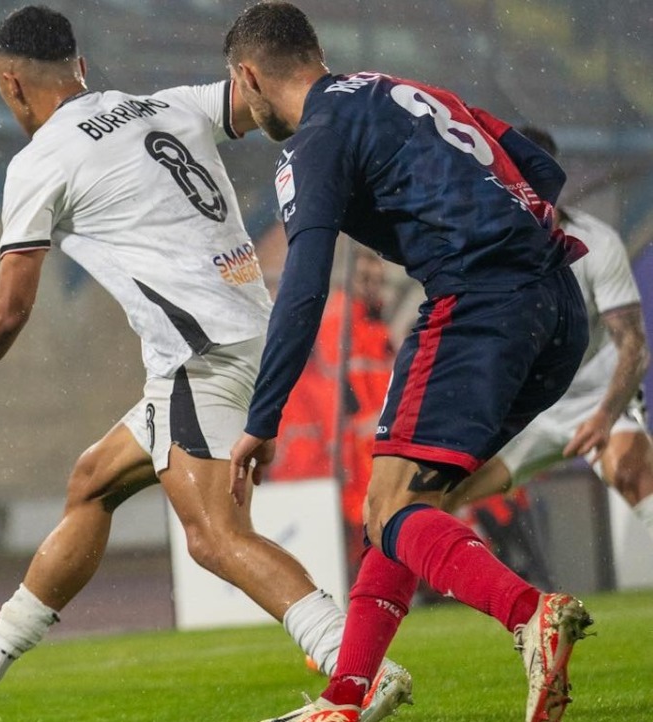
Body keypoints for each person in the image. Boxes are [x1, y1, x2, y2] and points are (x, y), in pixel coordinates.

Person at [0, 6, 410, 722]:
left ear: (12, 86)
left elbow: (8, 311)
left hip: (198, 355)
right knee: (92, 483)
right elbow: (260, 100)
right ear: (80, 69)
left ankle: (359, 668)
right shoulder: (167, 105)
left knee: (214, 536)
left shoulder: (40, 163)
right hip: (246, 337)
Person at [222, 4, 594, 722]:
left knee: (391, 505)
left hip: (477, 303)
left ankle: (529, 614)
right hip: (555, 302)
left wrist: (262, 419)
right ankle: (346, 699)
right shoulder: (403, 90)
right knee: (398, 506)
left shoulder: (314, 140)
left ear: (250, 75)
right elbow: (542, 169)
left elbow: (303, 290)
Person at [442, 128, 653, 539]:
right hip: (524, 409)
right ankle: (390, 600)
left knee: (637, 479)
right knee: (433, 497)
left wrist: (606, 415)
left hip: (595, 401)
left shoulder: (597, 242)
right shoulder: (480, 250)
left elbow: (632, 344)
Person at [270, 250, 396, 576]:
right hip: (351, 452)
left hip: (370, 446)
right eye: (365, 279)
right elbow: (335, 397)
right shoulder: (341, 323)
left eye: (377, 280)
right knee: (366, 526)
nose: (372, 287)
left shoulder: (372, 326)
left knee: (375, 524)